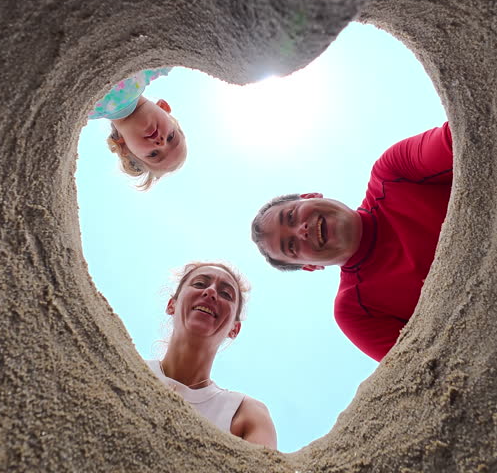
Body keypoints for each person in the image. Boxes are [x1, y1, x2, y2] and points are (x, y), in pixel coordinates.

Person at [250, 123, 453, 361]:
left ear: (311, 196)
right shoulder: (355, 311)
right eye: (291, 246)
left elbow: (469, 136)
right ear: (310, 266)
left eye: (292, 216)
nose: (301, 230)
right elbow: (426, 368)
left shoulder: (392, 173)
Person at [147, 262, 277, 449]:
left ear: (235, 329)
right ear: (171, 305)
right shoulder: (127, 367)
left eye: (226, 294)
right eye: (199, 284)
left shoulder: (245, 413)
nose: (211, 292)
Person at [89, 68, 187, 190]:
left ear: (125, 148)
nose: (161, 143)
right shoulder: (150, 68)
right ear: (164, 107)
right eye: (171, 137)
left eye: (153, 154)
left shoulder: (87, 111)